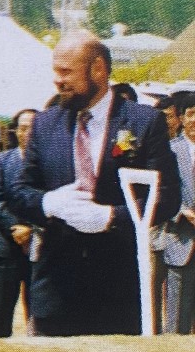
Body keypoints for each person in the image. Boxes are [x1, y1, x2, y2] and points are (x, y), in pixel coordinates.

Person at [11, 33, 179, 336]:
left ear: (98, 69)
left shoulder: (143, 123)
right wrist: (48, 203)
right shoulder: (45, 124)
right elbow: (20, 192)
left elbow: (167, 197)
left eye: (66, 71)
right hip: (56, 286)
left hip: (117, 285)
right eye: (55, 71)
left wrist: (111, 217)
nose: (57, 81)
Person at [0, 108, 37, 337]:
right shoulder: (1, 161)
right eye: (23, 128)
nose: (28, 132)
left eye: (34, 127)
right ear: (15, 131)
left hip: (38, 245)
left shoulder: (51, 164)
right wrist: (16, 229)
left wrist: (32, 230)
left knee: (38, 319)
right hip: (3, 246)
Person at [161, 94, 195, 335]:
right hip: (181, 239)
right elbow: (161, 191)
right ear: (181, 118)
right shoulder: (170, 151)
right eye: (192, 114)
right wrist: (181, 211)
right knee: (177, 318)